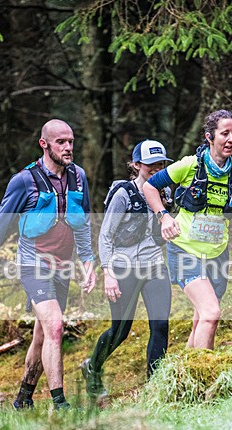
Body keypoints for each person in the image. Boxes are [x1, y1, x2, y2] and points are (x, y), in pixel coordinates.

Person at [0, 119, 96, 411]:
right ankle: (60, 404)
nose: (68, 147)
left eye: (71, 141)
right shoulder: (24, 181)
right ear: (44, 144)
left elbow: (83, 223)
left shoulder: (78, 176)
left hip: (62, 267)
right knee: (55, 325)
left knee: (43, 334)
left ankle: (23, 399)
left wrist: (88, 261)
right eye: (60, 142)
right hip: (33, 265)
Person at [142, 110, 232, 349]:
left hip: (217, 253)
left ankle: (186, 369)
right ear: (210, 136)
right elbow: (150, 187)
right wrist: (164, 217)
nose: (231, 139)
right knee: (211, 313)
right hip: (185, 250)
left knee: (202, 319)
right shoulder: (190, 165)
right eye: (225, 133)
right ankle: (205, 369)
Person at [81, 140, 173, 401]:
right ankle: (93, 367)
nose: (156, 168)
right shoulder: (123, 194)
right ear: (136, 165)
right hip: (123, 267)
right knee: (120, 330)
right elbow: (105, 236)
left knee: (160, 325)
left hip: (154, 265)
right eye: (151, 164)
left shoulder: (165, 191)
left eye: (161, 164)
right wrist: (108, 273)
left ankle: (154, 388)